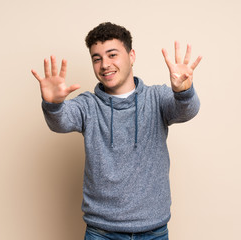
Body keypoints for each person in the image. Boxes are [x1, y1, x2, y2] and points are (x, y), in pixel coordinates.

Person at [31, 22, 202, 240]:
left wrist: (183, 91)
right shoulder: (88, 105)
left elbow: (187, 110)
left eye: (112, 55)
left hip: (153, 231)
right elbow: (60, 122)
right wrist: (53, 105)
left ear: (131, 56)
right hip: (101, 232)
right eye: (97, 58)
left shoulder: (156, 98)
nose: (104, 64)